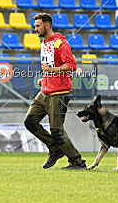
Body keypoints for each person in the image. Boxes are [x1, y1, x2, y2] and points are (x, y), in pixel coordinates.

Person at [24, 13, 86, 169]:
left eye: (38, 26)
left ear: (47, 25)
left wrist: (52, 70)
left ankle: (77, 162)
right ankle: (55, 149)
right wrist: (45, 78)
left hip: (59, 93)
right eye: (35, 25)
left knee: (57, 130)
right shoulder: (44, 43)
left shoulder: (60, 43)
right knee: (30, 122)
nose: (35, 28)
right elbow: (49, 68)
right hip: (45, 90)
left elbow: (71, 65)